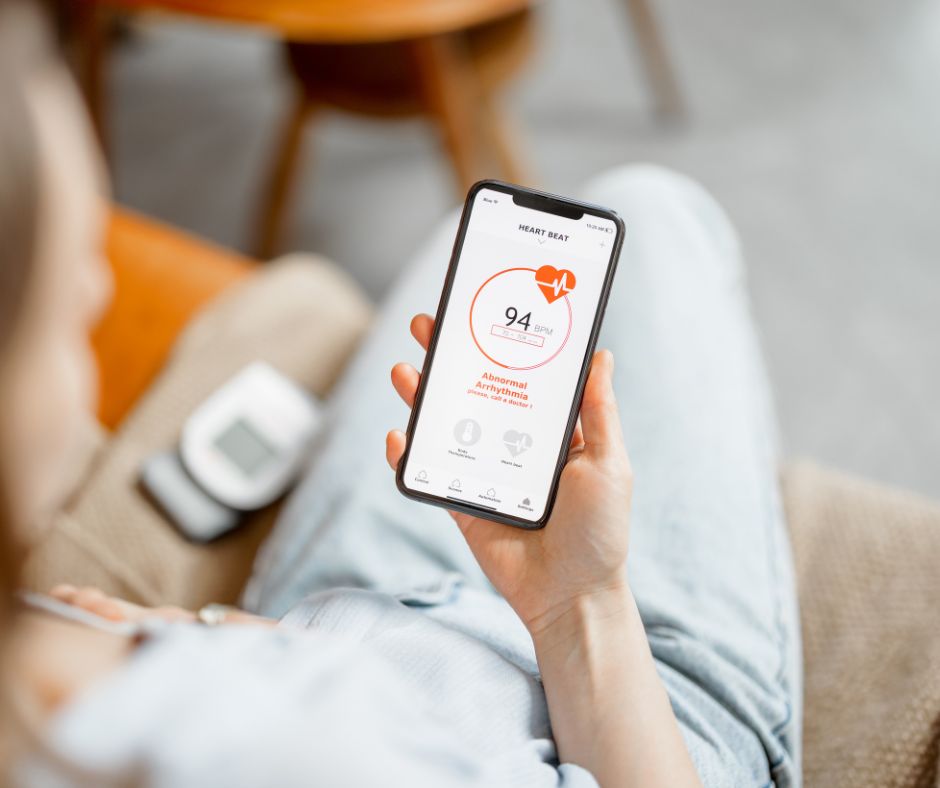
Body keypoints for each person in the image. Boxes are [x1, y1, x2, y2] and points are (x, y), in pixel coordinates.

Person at [0, 2, 800, 785]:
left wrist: (197, 634)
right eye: (74, 308)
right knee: (654, 207)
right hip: (610, 714)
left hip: (332, 619)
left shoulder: (39, 662)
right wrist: (581, 604)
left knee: (477, 234)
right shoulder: (306, 753)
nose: (101, 296)